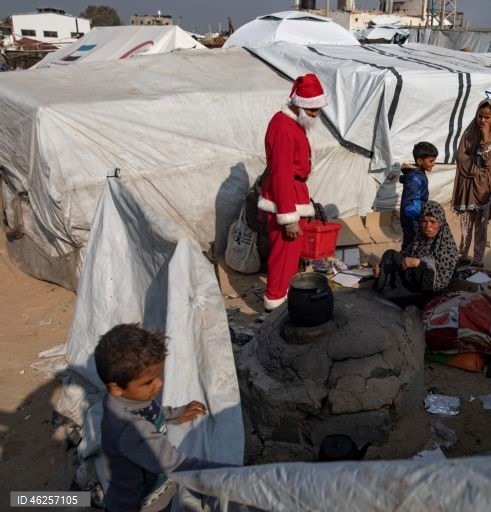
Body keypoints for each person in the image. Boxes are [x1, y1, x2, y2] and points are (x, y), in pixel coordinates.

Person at [96, 324, 233, 512]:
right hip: (144, 505)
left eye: (158, 375)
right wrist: (232, 475)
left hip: (156, 491)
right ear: (116, 388)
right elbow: (176, 465)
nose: (160, 383)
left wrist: (175, 414)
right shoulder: (131, 429)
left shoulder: (132, 398)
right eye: (149, 382)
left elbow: (152, 410)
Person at [258, 73, 328, 311]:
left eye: (317, 110)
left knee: (289, 257)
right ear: (300, 104)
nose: (315, 114)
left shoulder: (293, 123)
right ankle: (274, 303)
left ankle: (282, 298)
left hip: (294, 194)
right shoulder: (283, 128)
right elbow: (281, 174)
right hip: (285, 199)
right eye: (312, 109)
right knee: (283, 257)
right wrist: (289, 218)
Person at [373, 201, 459, 309]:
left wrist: (418, 264)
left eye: (432, 222)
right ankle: (386, 283)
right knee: (390, 255)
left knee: (391, 293)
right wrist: (382, 271)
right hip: (412, 280)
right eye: (424, 221)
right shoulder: (419, 239)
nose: (427, 226)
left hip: (428, 292)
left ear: (440, 223)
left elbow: (439, 284)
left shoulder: (447, 247)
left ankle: (392, 289)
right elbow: (403, 258)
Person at [452, 99, 491, 267]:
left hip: (485, 188)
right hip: (468, 185)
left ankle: (478, 259)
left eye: (487, 117)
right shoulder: (469, 132)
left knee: (482, 224)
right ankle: (463, 255)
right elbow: (461, 157)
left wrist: (486, 138)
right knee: (466, 222)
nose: (483, 121)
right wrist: (477, 166)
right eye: (480, 116)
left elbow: (489, 160)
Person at [400, 141, 438, 248]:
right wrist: (419, 218)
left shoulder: (418, 174)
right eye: (431, 161)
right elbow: (408, 203)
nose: (434, 164)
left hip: (416, 216)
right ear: (420, 161)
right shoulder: (414, 178)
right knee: (413, 244)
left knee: (412, 244)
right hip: (412, 219)